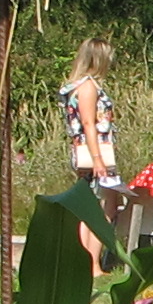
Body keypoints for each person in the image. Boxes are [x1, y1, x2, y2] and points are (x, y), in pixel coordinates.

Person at [61, 38, 125, 270]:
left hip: (88, 153)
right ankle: (92, 264)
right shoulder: (88, 87)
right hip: (95, 154)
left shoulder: (75, 86)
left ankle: (89, 263)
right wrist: (98, 159)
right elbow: (89, 123)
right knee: (99, 208)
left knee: (95, 205)